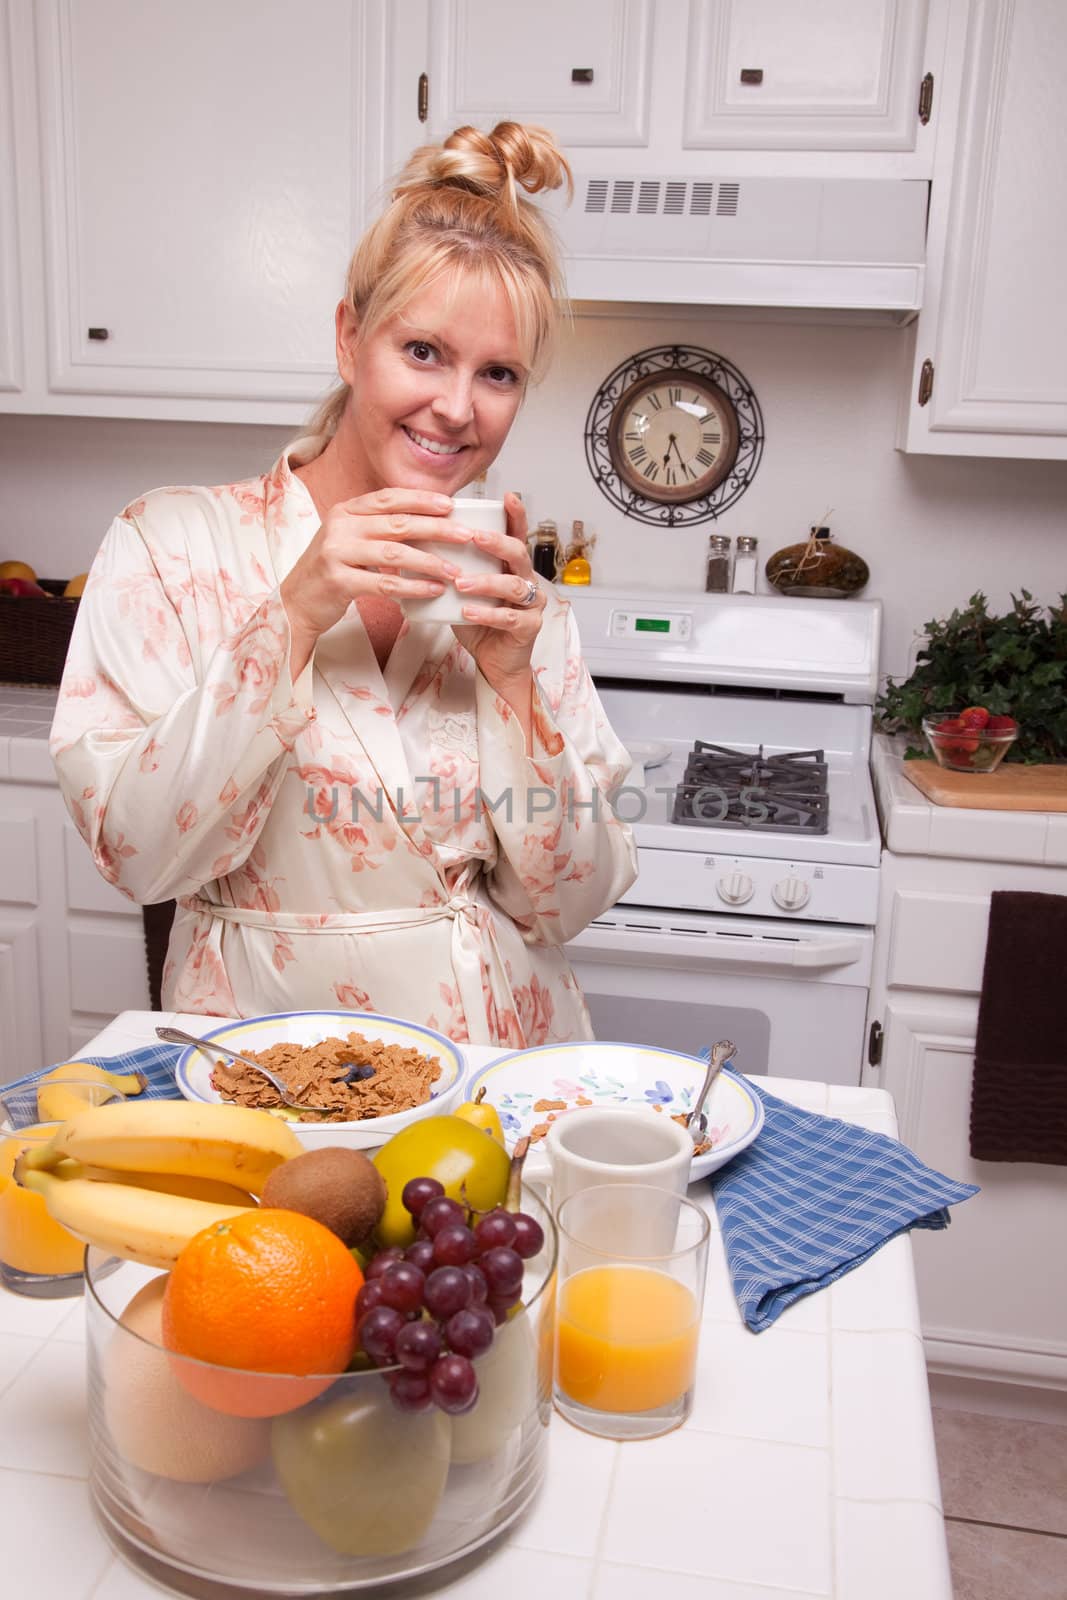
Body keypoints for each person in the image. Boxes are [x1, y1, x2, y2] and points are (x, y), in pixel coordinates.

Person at [50, 121, 637, 1046]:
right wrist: (294, 613)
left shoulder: (512, 599)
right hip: (271, 1069)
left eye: (498, 374)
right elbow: (136, 854)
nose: (456, 408)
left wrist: (513, 684)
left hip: (503, 1076)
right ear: (349, 337)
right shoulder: (172, 546)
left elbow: (574, 900)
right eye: (423, 352)